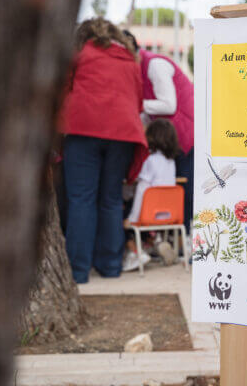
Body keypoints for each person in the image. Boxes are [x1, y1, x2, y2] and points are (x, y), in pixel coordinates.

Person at [60, 18, 147, 283]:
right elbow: (138, 102)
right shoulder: (129, 60)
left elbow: (62, 91)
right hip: (122, 134)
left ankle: (79, 271)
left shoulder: (78, 54)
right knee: (111, 200)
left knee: (81, 200)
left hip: (83, 129)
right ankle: (110, 267)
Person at [125, 31, 195, 232]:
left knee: (185, 191)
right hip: (170, 138)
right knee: (173, 189)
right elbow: (145, 113)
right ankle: (172, 237)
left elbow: (168, 105)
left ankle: (186, 240)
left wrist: (135, 104)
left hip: (185, 135)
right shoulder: (139, 71)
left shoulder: (155, 65)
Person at [123, 119, 179, 272]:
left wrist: (132, 219)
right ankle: (156, 240)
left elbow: (143, 189)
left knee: (119, 215)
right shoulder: (171, 162)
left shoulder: (149, 161)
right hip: (167, 215)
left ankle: (135, 252)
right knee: (142, 215)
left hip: (148, 215)